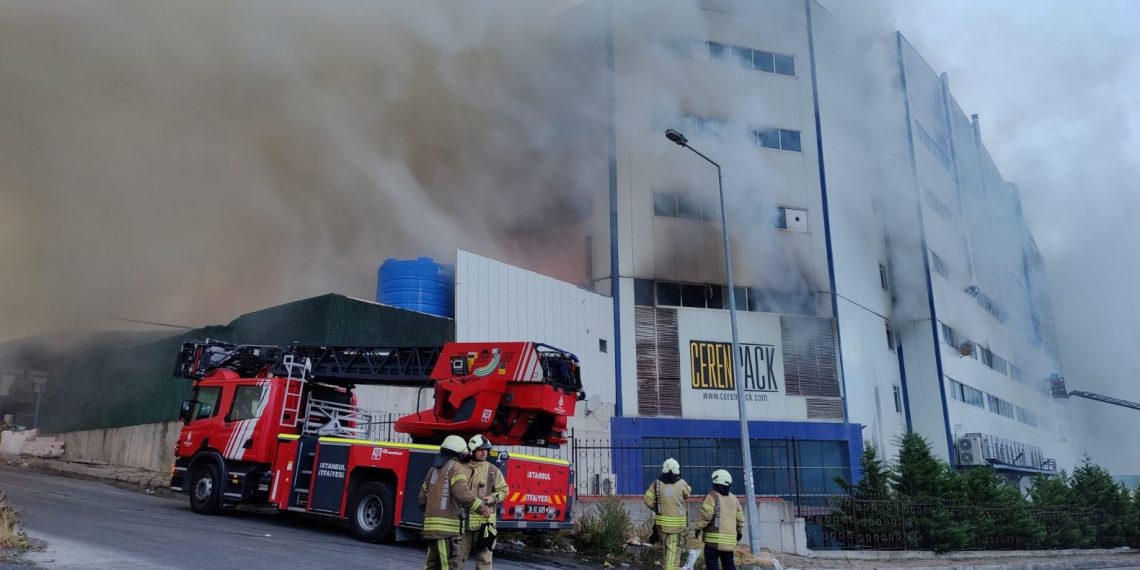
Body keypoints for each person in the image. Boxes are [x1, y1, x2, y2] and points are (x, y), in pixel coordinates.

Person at [418, 435, 490, 570]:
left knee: (431, 565)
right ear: (457, 452)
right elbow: (462, 493)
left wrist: (432, 513)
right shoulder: (455, 467)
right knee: (449, 565)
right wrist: (481, 507)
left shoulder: (433, 469)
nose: (465, 456)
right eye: (463, 453)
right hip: (447, 531)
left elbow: (422, 499)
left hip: (430, 529)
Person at [458, 434, 509, 570]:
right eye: (480, 449)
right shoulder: (461, 468)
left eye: (486, 450)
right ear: (473, 450)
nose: (484, 452)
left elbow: (504, 491)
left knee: (484, 561)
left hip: (484, 525)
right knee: (457, 558)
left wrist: (492, 498)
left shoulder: (493, 470)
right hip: (463, 523)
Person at [643, 458, 691, 570]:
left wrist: (657, 509)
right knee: (673, 551)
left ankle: (670, 567)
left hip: (662, 524)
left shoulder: (656, 484)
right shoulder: (682, 483)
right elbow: (687, 494)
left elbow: (647, 499)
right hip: (677, 525)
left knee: (666, 550)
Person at [694, 469, 745, 570]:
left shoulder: (712, 497)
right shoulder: (734, 499)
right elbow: (740, 519)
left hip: (712, 542)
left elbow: (706, 516)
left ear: (716, 483)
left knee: (712, 565)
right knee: (729, 565)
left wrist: (698, 528)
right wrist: (739, 533)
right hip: (729, 543)